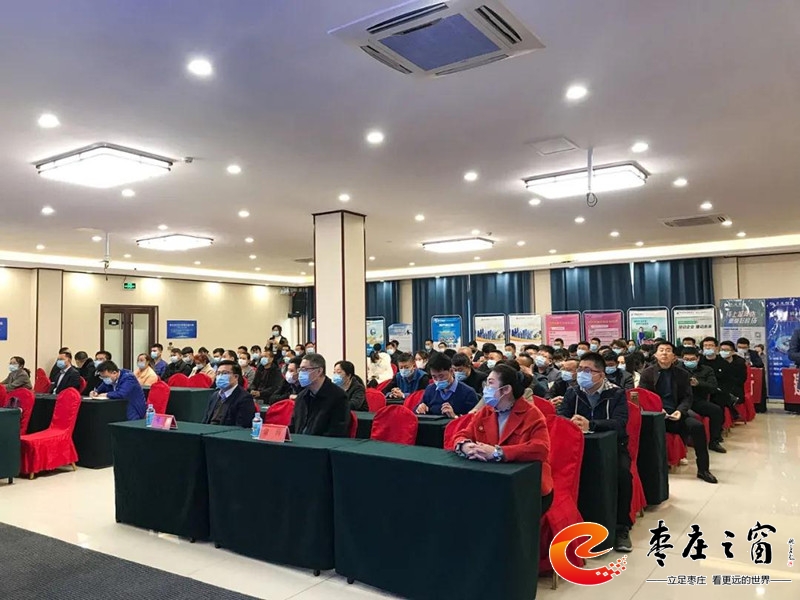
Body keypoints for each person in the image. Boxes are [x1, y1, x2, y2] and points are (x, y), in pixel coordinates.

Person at [556, 351, 633, 552]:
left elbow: (620, 423)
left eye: (588, 370)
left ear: (601, 374)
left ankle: (621, 528)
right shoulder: (573, 392)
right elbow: (560, 416)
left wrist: (591, 424)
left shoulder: (616, 393)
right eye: (580, 369)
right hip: (577, 447)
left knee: (623, 475)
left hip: (612, 447)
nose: (582, 374)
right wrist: (571, 422)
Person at [453, 363, 553, 514]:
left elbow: (540, 448)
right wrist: (465, 446)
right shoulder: (486, 411)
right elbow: (462, 434)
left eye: (490, 383)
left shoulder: (531, 414)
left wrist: (497, 452)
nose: (485, 389)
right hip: (491, 480)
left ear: (506, 389)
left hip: (526, 485)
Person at [640, 342, 718, 484]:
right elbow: (644, 396)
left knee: (698, 427)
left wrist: (680, 411)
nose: (664, 353)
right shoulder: (647, 373)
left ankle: (703, 470)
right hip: (656, 414)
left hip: (677, 413)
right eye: (661, 350)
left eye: (668, 350)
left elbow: (687, 397)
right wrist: (658, 409)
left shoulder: (682, 374)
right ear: (655, 354)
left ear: (674, 356)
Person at [290, 353, 349, 437]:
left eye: (305, 369)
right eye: (300, 370)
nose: (300, 374)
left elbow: (336, 432)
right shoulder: (301, 396)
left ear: (319, 371)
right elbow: (293, 427)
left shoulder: (338, 397)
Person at [679, 347, 725, 453]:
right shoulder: (677, 369)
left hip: (697, 400)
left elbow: (713, 387)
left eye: (692, 359)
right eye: (686, 359)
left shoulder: (707, 370)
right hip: (681, 400)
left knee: (716, 410)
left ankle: (714, 441)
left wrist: (698, 384)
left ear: (698, 358)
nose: (689, 361)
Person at [414, 353, 478, 417]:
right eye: (434, 377)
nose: (438, 380)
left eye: (441, 376)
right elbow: (416, 411)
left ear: (451, 371)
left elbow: (473, 419)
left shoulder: (468, 393)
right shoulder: (430, 390)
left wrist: (455, 416)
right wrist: (420, 408)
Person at [700, 337, 745, 420]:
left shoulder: (723, 363)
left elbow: (729, 381)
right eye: (705, 345)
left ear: (716, 348)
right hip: (702, 390)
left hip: (719, 391)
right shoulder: (699, 362)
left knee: (720, 400)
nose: (708, 347)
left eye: (710, 345)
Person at [201, 360, 255, 427]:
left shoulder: (244, 398)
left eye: (225, 373)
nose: (220, 376)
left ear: (236, 377)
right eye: (218, 373)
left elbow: (242, 426)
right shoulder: (214, 395)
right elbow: (205, 419)